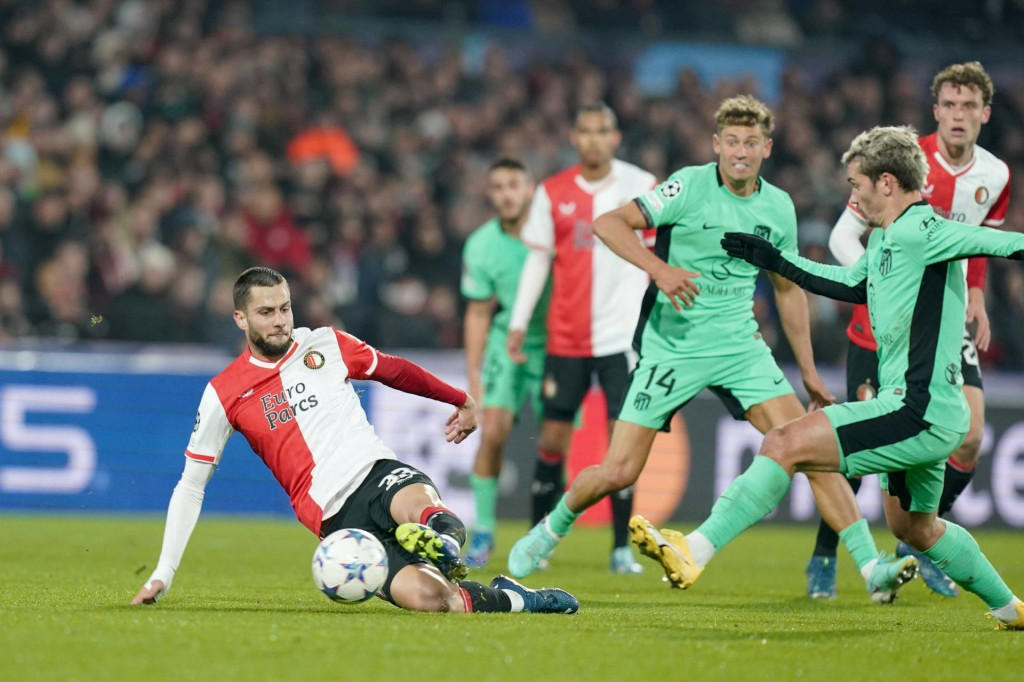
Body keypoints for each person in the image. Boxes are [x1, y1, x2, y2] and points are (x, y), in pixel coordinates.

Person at [508, 96, 910, 605]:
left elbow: (787, 288)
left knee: (808, 451)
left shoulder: (778, 206)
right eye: (732, 141)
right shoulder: (687, 186)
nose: (741, 152)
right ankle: (551, 528)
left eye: (751, 143)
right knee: (619, 471)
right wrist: (659, 270)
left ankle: (872, 569)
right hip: (672, 348)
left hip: (741, 347)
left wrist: (808, 371)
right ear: (716, 144)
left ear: (767, 148)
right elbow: (608, 223)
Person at [632, 125, 1024, 630]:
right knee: (916, 527)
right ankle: (1011, 608)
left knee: (783, 442)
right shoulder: (885, 237)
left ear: (887, 182)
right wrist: (776, 261)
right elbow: (851, 283)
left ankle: (694, 550)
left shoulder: (925, 230)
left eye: (857, 185)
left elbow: (1007, 243)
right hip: (931, 412)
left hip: (916, 410)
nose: (853, 198)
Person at [131, 266, 578, 615]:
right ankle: (517, 598)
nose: (280, 321)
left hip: (376, 472)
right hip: (335, 520)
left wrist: (460, 399)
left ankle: (442, 541)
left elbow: (394, 370)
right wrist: (163, 572)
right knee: (432, 599)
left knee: (426, 514)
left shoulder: (326, 343)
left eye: (285, 308)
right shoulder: (223, 393)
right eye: (266, 313)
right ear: (240, 318)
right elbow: (191, 486)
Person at [806, 62, 1011, 600]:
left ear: (986, 114)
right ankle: (825, 557)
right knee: (858, 444)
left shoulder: (996, 175)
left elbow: (976, 244)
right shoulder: (899, 162)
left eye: (970, 106)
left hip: (941, 321)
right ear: (935, 110)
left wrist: (977, 293)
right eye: (950, 105)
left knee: (971, 434)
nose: (959, 115)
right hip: (881, 327)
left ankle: (921, 539)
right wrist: (876, 283)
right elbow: (842, 235)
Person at [506, 102, 661, 574]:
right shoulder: (551, 192)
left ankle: (619, 549)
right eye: (586, 131)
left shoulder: (642, 185)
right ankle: (539, 540)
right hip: (567, 337)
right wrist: (518, 321)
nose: (594, 139)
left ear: (616, 137)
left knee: (621, 442)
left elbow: (657, 256)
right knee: (552, 439)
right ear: (574, 137)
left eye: (602, 131)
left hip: (623, 340)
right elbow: (538, 259)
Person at [461, 158, 549, 567]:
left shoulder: (552, 233)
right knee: (492, 430)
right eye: (497, 187)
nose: (506, 194)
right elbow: (479, 312)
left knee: (554, 443)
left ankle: (543, 534)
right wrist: (473, 375)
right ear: (490, 194)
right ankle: (484, 531)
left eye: (514, 184)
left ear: (530, 188)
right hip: (505, 344)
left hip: (556, 345)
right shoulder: (481, 244)